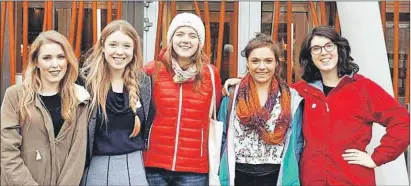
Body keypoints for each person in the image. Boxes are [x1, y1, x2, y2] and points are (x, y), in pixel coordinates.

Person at [292, 25, 410, 185]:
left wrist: (377, 157)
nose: (323, 52)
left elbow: (402, 122)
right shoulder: (300, 91)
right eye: (316, 49)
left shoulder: (363, 88)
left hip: (352, 179)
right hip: (311, 179)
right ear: (310, 57)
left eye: (329, 46)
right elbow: (267, 99)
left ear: (339, 49)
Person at [1, 30, 90, 185]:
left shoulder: (79, 99)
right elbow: (7, 151)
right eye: (47, 58)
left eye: (61, 57)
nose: (55, 64)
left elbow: (77, 155)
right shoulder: (15, 95)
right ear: (36, 61)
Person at [143, 12, 222, 186]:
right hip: (154, 165)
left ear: (199, 43)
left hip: (194, 169)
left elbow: (214, 107)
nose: (185, 40)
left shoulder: (210, 74)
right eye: (179, 34)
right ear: (171, 39)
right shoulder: (152, 70)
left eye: (192, 35)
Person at [218, 33, 303, 186]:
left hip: (276, 175)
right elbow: (222, 138)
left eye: (268, 61)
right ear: (247, 63)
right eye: (255, 61)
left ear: (277, 63)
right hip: (237, 174)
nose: (262, 67)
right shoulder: (232, 95)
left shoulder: (291, 98)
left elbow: (296, 143)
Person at [80, 20, 153, 185]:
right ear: (103, 46)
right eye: (113, 44)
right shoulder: (85, 81)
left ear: (134, 50)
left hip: (134, 168)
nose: (119, 52)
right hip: (95, 169)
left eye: (126, 46)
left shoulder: (144, 83)